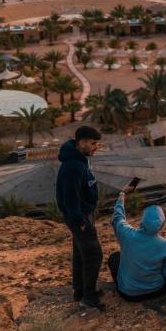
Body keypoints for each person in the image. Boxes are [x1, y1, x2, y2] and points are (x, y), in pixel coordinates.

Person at [55, 126, 103, 311]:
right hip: (79, 217)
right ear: (81, 142)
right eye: (93, 143)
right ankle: (89, 298)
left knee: (80, 252)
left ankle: (80, 290)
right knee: (93, 254)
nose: (96, 147)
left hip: (81, 215)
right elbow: (69, 197)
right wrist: (80, 221)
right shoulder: (73, 166)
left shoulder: (78, 161)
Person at [108, 185, 166, 301]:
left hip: (129, 294)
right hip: (157, 290)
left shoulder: (127, 234)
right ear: (161, 225)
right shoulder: (165, 245)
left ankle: (123, 284)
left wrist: (122, 194)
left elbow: (117, 217)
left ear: (142, 220)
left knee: (114, 257)